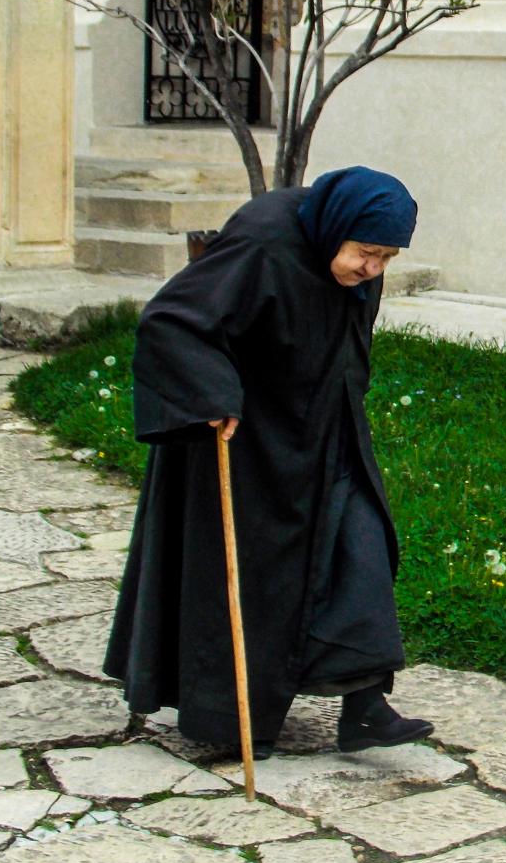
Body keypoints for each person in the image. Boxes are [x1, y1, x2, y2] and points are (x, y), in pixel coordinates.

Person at [104, 166, 433, 759]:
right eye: (366, 254)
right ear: (336, 229)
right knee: (248, 575)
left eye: (387, 258)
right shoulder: (262, 243)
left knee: (361, 545)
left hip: (326, 428)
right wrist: (210, 393)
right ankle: (230, 719)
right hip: (243, 434)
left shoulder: (354, 252)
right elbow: (174, 320)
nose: (373, 271)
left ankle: (365, 705)